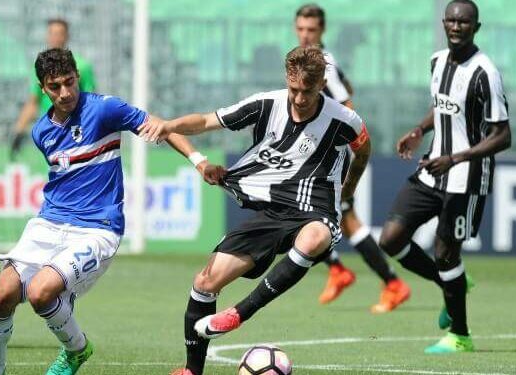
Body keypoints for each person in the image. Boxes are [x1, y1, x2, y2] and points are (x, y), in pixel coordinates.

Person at [0, 48, 216, 375]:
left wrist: (199, 161)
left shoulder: (105, 109)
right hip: (48, 223)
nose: (65, 92)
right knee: (0, 297)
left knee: (42, 293)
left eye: (70, 82)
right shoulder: (42, 132)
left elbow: (161, 128)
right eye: (55, 86)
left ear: (77, 77)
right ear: (43, 89)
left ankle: (76, 350)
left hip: (98, 228)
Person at [140, 46, 371, 375]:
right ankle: (193, 370)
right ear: (286, 80)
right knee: (206, 281)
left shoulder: (343, 120)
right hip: (272, 211)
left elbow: (364, 149)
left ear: (322, 84)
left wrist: (348, 189)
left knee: (315, 237)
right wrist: (169, 125)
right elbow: (208, 120)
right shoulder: (266, 104)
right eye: (294, 89)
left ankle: (240, 313)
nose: (300, 98)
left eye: (308, 91)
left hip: (315, 210)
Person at [378, 0, 511, 353]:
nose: (456, 26)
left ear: (475, 28)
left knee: (445, 251)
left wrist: (455, 158)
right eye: (451, 20)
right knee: (390, 238)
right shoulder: (437, 61)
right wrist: (420, 130)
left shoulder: (486, 72)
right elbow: (442, 106)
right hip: (434, 167)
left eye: (464, 22)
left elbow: (503, 135)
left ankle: (460, 335)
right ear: (443, 24)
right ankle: (454, 284)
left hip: (466, 176)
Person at [294, 3, 410, 312]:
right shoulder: (314, 61)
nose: (305, 35)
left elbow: (347, 102)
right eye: (301, 29)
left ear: (322, 31)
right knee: (339, 220)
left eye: (312, 30)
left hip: (333, 155)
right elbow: (344, 87)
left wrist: (346, 147)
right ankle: (348, 272)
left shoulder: (322, 62)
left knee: (332, 218)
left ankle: (385, 281)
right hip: (321, 152)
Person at [9, 18, 97, 160]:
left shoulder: (82, 66)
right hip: (52, 132)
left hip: (77, 131)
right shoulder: (40, 68)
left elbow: (91, 100)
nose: (55, 37)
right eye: (52, 33)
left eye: (60, 33)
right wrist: (19, 131)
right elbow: (33, 101)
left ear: (67, 36)